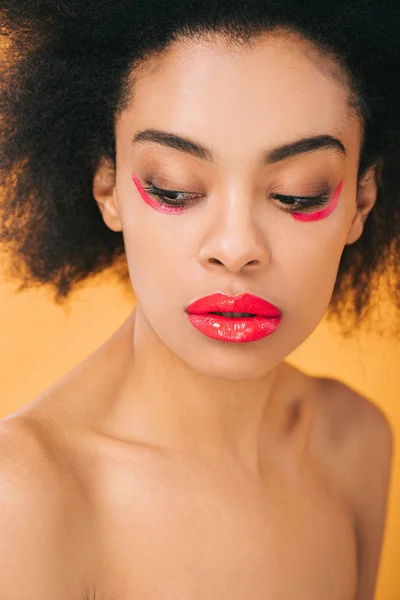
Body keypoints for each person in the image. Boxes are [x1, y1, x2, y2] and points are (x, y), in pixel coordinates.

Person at [0, 0, 398, 598]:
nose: (236, 248)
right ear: (108, 187)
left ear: (360, 205)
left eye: (297, 194)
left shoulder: (354, 444)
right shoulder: (27, 500)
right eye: (176, 188)